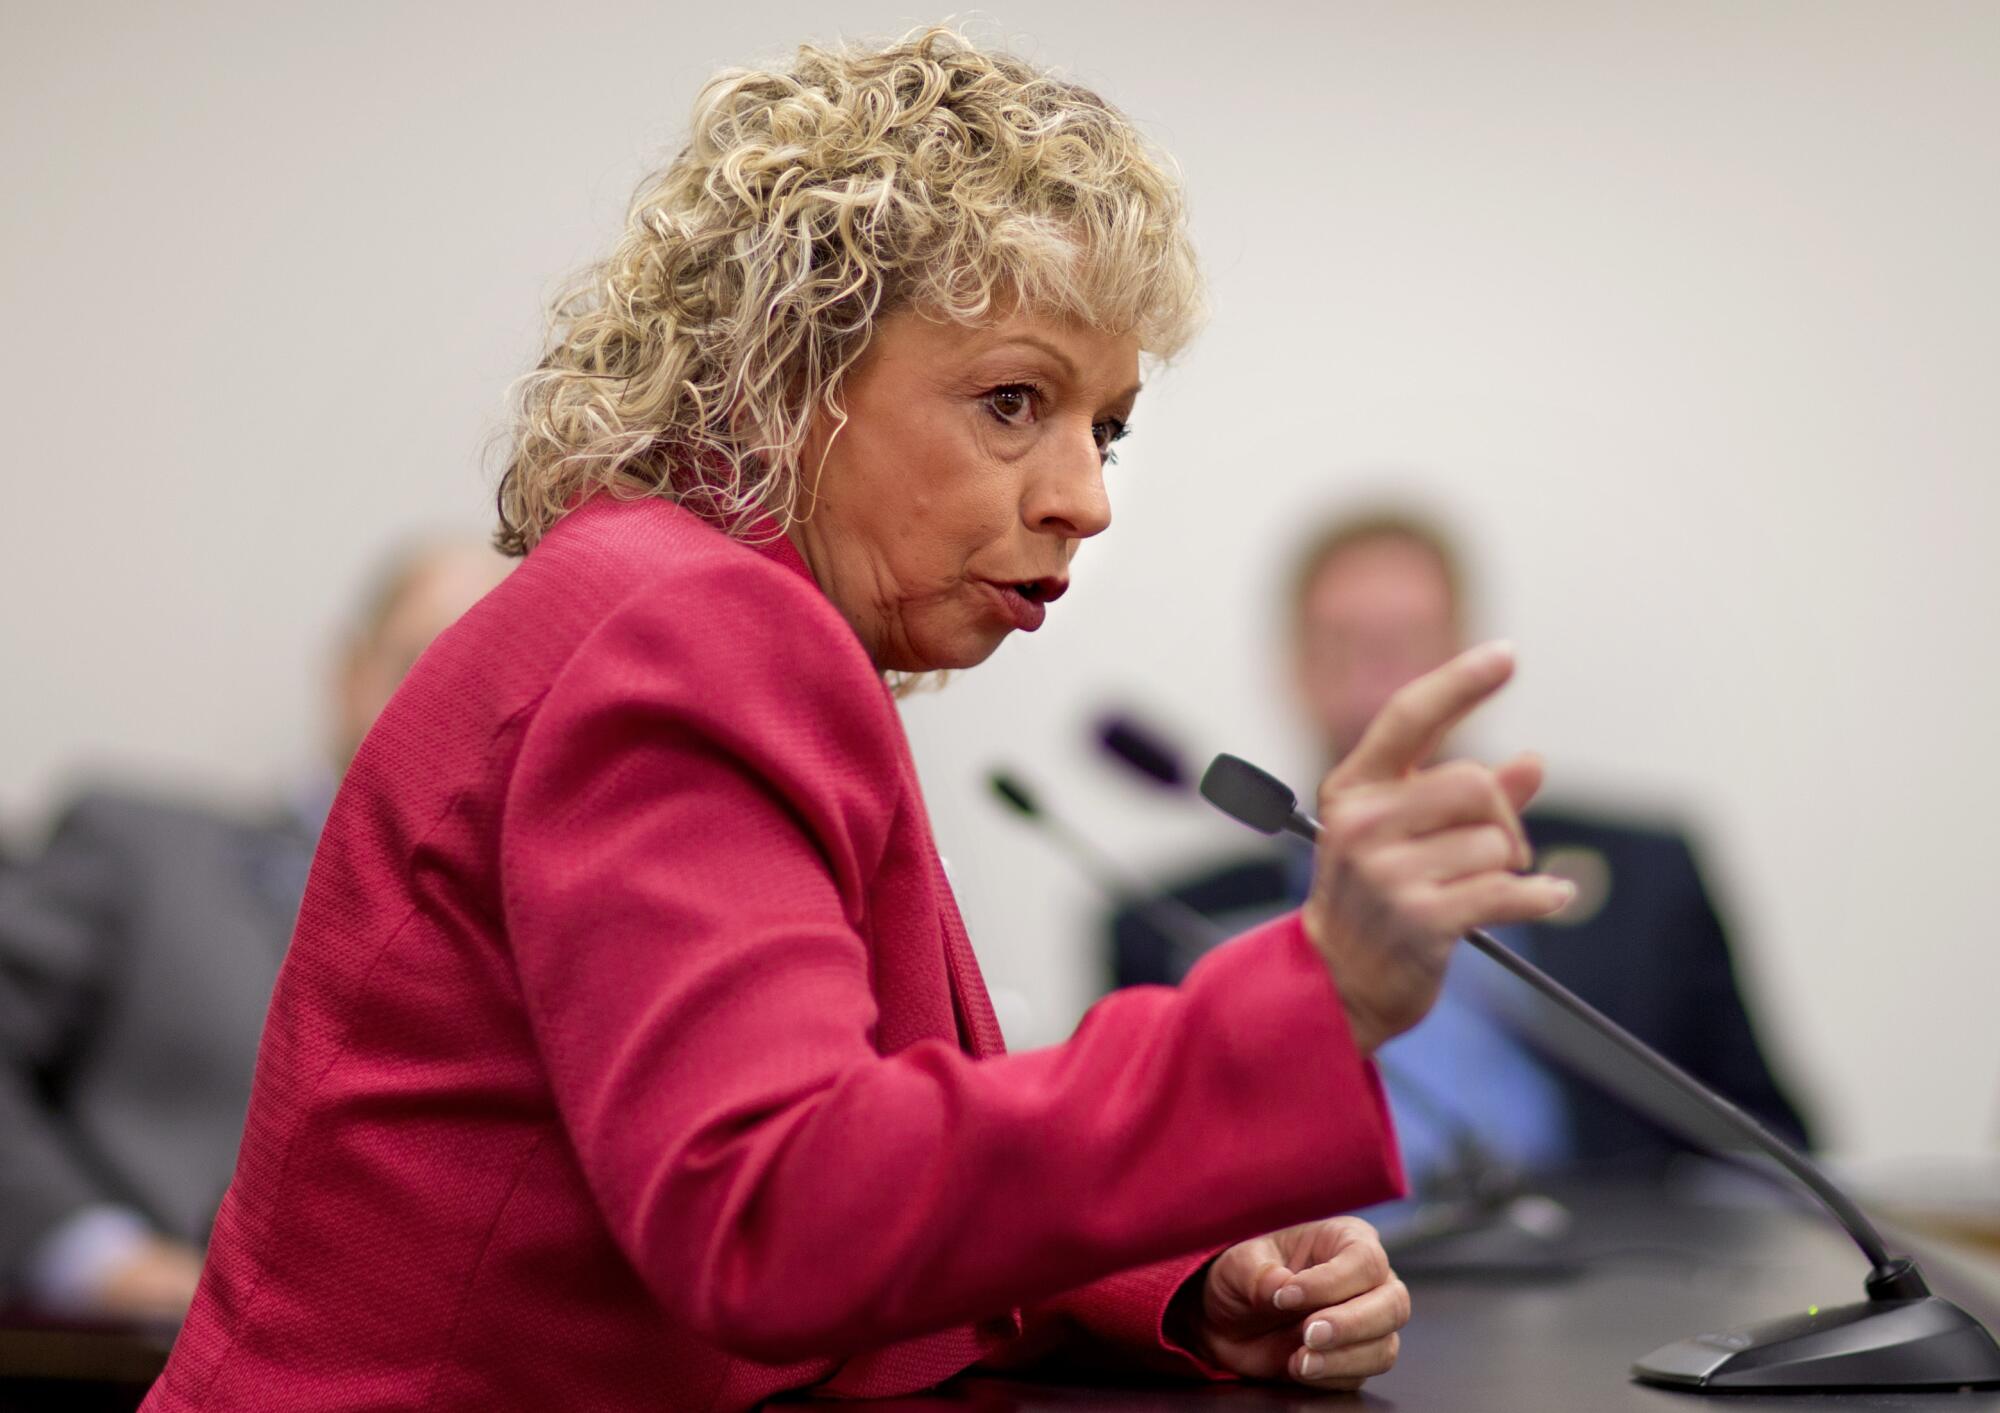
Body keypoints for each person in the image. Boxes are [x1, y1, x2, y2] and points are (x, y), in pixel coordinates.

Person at [141, 32, 1578, 1411]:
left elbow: (868, 1142)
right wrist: (1313, 995)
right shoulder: (687, 632)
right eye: (1014, 401)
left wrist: (1185, 1280)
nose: (1086, 496)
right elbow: (771, 1210)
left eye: (1108, 425)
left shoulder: (690, 603)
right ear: (790, 378)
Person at [1110, 509, 1811, 1188]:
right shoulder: (1165, 924)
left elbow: (1771, 1154)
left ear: (1464, 653)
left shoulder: (1645, 873)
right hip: (1312, 1292)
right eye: (1342, 643)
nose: (1377, 678)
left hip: (1607, 1275)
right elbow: (1137, 1192)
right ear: (1294, 667)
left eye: (1406, 641)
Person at [0, 538, 507, 1322]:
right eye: (427, 666)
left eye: (497, 695)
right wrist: (102, 1259)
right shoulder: (145, 855)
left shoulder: (549, 957)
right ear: (351, 674)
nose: (457, 718)